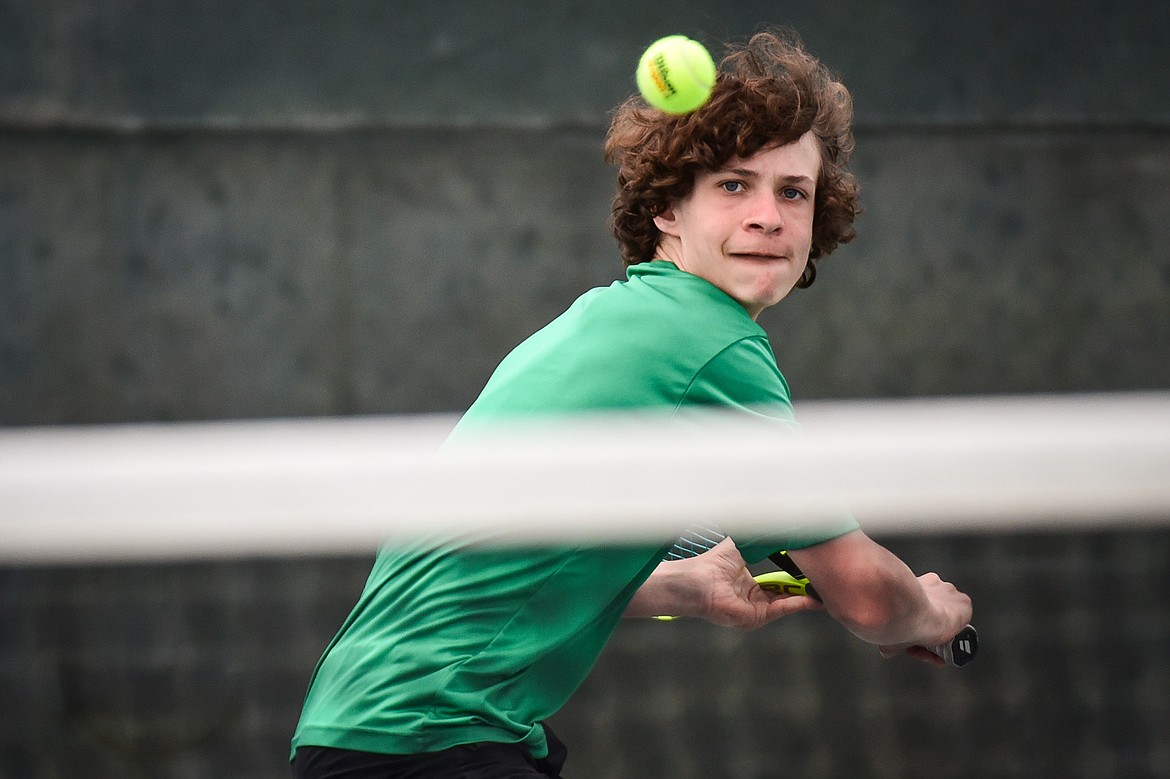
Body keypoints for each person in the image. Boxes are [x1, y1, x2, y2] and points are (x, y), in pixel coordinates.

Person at [291, 28, 973, 778]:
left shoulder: (604, 321)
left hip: (368, 730)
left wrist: (681, 587)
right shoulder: (709, 341)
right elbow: (868, 597)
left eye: (793, 191)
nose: (768, 216)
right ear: (667, 212)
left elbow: (498, 552)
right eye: (733, 185)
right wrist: (932, 610)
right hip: (427, 740)